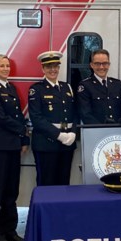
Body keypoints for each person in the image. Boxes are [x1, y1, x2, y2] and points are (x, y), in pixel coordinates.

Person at [0, 55, 29, 241]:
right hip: (0, 145)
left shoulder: (11, 88)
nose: (5, 68)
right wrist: (21, 130)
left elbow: (18, 114)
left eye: (7, 65)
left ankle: (10, 230)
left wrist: (23, 139)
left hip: (13, 146)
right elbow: (1, 118)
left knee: (12, 190)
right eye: (1, 66)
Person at [27, 51, 78, 186]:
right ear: (43, 69)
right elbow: (36, 118)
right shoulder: (36, 89)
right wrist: (59, 135)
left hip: (67, 145)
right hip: (46, 145)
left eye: (55, 66)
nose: (53, 70)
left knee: (64, 183)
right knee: (46, 184)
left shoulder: (67, 87)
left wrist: (73, 132)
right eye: (49, 67)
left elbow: (75, 113)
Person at [76, 49, 121, 125]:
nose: (101, 67)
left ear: (109, 64)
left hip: (117, 132)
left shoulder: (118, 84)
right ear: (92, 65)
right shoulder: (85, 86)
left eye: (105, 63)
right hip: (96, 132)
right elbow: (86, 115)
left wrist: (120, 127)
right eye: (97, 63)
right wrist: (103, 129)